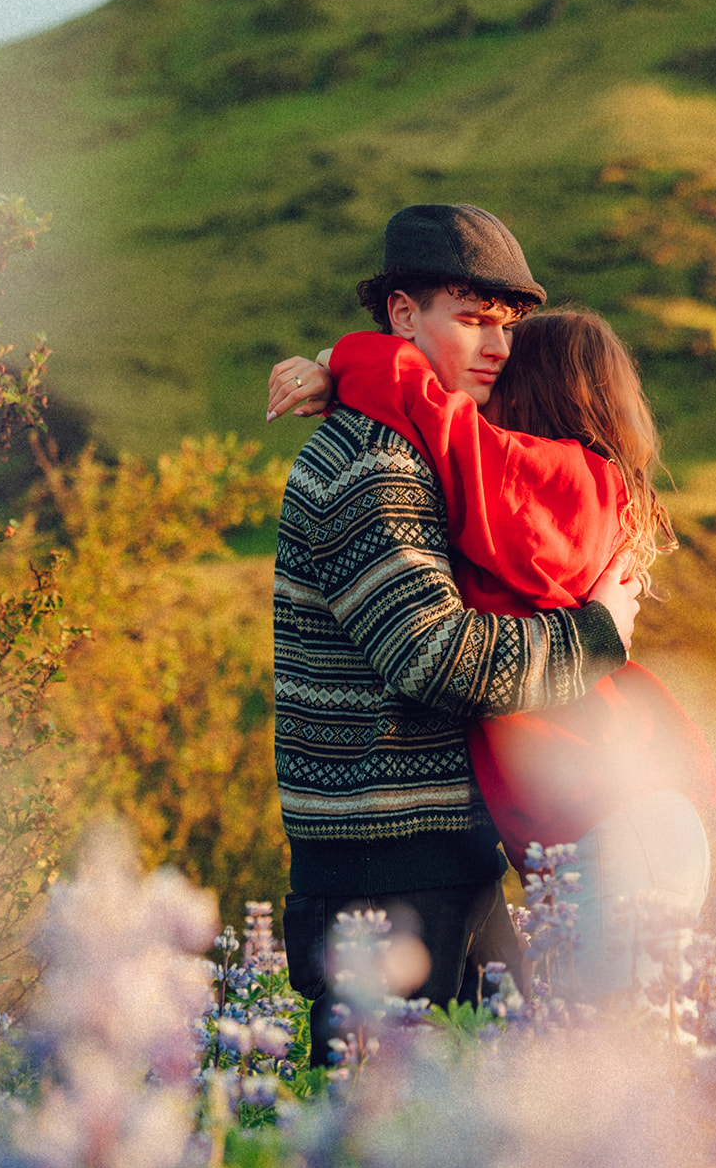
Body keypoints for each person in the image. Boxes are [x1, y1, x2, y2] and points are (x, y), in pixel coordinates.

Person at [269, 202, 640, 1062]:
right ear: (403, 315)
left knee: (487, 1152)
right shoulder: (369, 464)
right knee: (386, 1163)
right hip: (384, 874)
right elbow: (436, 658)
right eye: (472, 320)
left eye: (507, 325)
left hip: (440, 857)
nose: (498, 346)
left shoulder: (421, 447)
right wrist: (595, 636)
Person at [271, 306, 716, 996]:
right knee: (606, 1066)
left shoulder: (558, 488)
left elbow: (438, 422)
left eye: (506, 360)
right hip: (612, 826)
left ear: (535, 391)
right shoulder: (556, 499)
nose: (485, 377)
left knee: (610, 1077)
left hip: (617, 830)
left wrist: (342, 361)